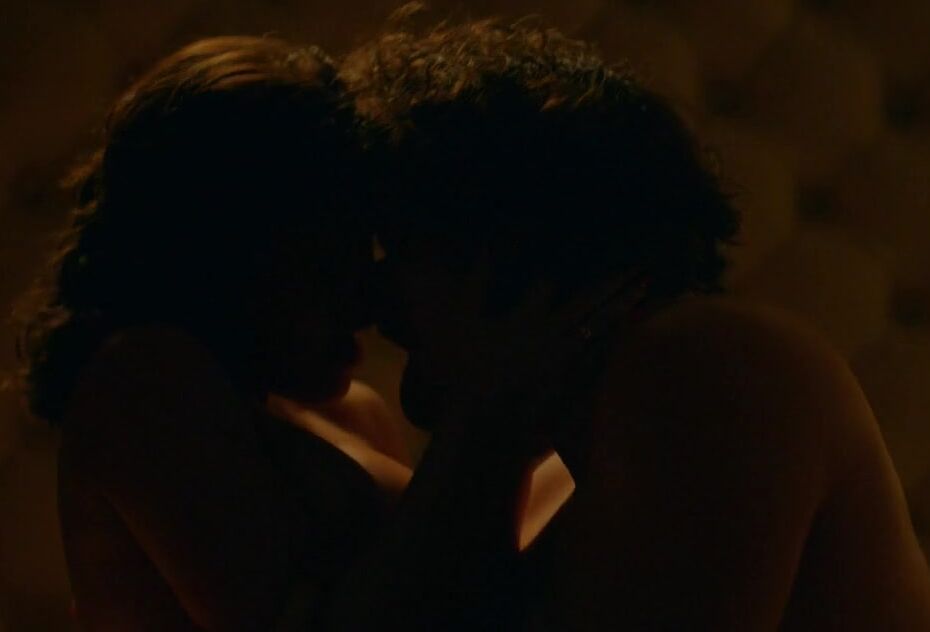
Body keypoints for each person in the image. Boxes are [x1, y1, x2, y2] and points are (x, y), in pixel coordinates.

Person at [342, 13, 930, 629]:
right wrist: (486, 430)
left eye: (402, 250)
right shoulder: (552, 471)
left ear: (504, 247)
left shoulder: (708, 363)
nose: (372, 300)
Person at [17, 36, 412, 630]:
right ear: (229, 256)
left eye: (367, 251)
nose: (364, 301)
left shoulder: (354, 413)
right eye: (326, 264)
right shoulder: (145, 383)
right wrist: (492, 429)